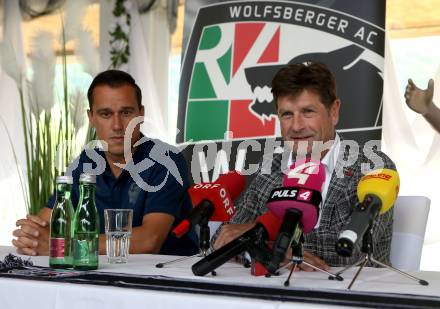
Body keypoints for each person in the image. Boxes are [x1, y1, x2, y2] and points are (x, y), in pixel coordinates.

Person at [213, 62, 396, 270]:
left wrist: (264, 242)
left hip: (355, 296)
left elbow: (348, 254)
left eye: (308, 112)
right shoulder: (271, 167)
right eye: (287, 114)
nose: (297, 126)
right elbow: (223, 239)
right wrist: (276, 250)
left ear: (334, 111)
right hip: (276, 296)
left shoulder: (373, 166)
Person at [12, 70, 199, 256]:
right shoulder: (86, 163)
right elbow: (44, 225)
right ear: (91, 118)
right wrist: (31, 238)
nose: (117, 125)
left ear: (141, 114)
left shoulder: (166, 160)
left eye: (126, 112)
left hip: (163, 280)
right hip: (102, 277)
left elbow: (149, 241)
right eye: (105, 114)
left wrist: (65, 246)